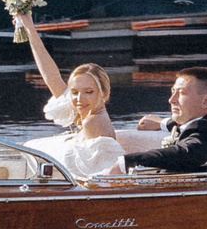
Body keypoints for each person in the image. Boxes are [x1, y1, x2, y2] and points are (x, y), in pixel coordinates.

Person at [14, 13, 126, 178]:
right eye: (74, 92)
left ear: (104, 94)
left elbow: (103, 174)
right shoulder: (91, 113)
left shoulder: (92, 122)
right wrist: (29, 27)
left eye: (88, 92)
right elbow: (52, 77)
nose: (79, 99)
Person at [132, 66, 207, 173]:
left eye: (181, 93)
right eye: (173, 91)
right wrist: (162, 123)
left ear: (206, 101)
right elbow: (193, 126)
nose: (171, 100)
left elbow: (187, 152)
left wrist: (128, 162)